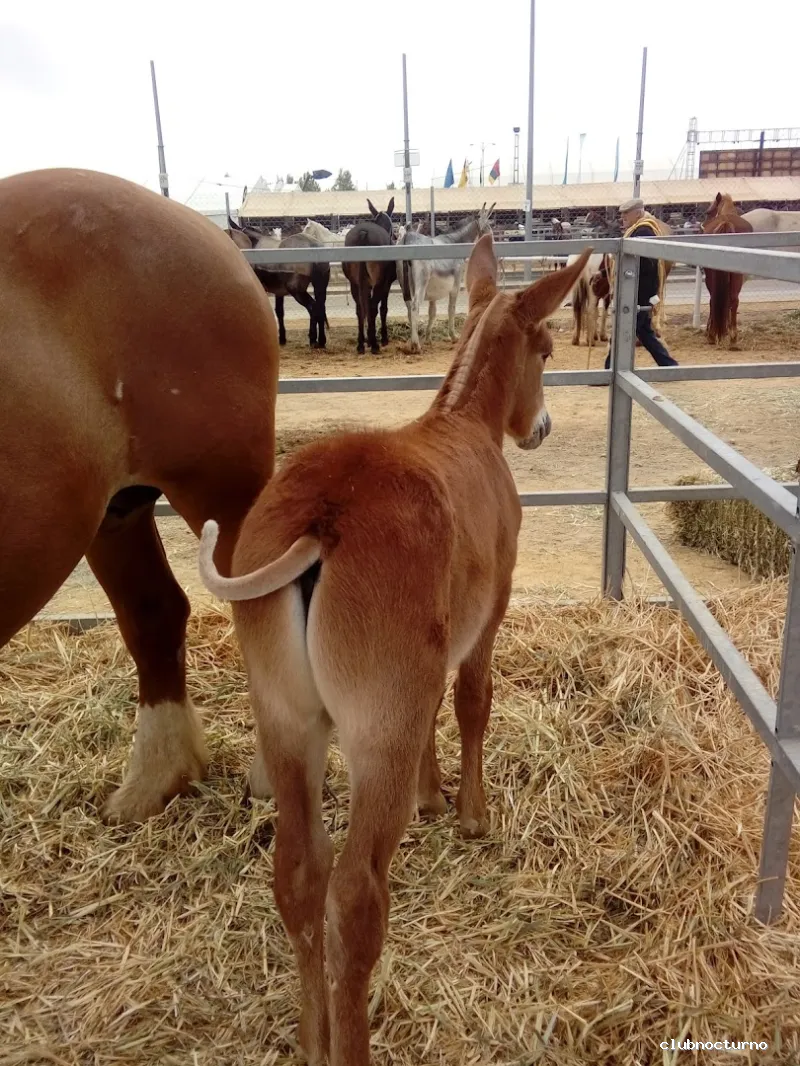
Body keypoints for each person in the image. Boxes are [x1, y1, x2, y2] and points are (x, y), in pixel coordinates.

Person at [602, 197, 678, 372]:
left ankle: (608, 371)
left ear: (637, 213)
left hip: (639, 293)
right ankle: (669, 366)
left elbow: (645, 263)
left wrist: (621, 262)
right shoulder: (641, 230)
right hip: (641, 292)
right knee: (644, 333)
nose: (623, 218)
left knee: (623, 331)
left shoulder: (643, 231)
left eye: (626, 214)